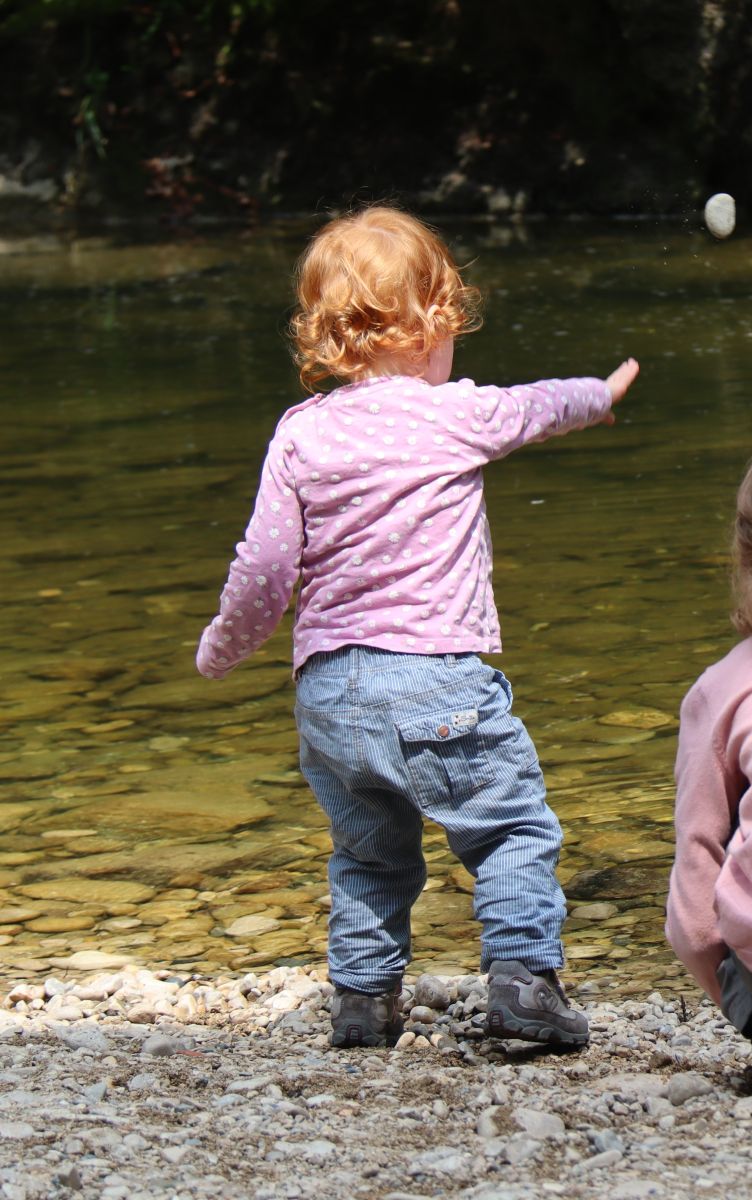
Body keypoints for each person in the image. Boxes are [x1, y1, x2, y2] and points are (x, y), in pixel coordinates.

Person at [197, 205, 639, 1048]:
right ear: (431, 324)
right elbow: (533, 407)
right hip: (435, 679)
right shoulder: (451, 415)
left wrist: (222, 648)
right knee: (507, 826)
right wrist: (598, 395)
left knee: (368, 854)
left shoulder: (299, 434)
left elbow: (263, 569)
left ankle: (362, 1005)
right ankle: (521, 985)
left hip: (328, 696)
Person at [666, 431, 752, 1096]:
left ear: (745, 547)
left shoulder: (722, 687)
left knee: (725, 833)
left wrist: (742, 1009)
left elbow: (694, 912)